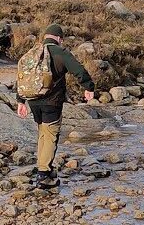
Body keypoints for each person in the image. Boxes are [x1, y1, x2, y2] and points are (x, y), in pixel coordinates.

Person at [16, 23, 95, 188]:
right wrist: (89, 88)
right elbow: (78, 70)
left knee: (43, 134)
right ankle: (43, 175)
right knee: (51, 135)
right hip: (52, 102)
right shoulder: (60, 52)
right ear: (59, 38)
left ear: (45, 37)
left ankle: (45, 167)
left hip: (33, 100)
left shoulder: (32, 53)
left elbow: (22, 77)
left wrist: (20, 101)